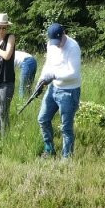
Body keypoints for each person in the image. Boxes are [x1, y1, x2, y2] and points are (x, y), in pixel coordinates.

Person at [36, 23, 81, 159]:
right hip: (53, 88)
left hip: (69, 91)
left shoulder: (73, 47)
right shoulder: (52, 44)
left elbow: (73, 73)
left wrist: (54, 75)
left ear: (64, 34)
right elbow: (48, 64)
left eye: (59, 41)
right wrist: (41, 80)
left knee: (66, 128)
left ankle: (67, 158)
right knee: (43, 119)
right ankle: (49, 150)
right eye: (54, 42)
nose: (57, 45)